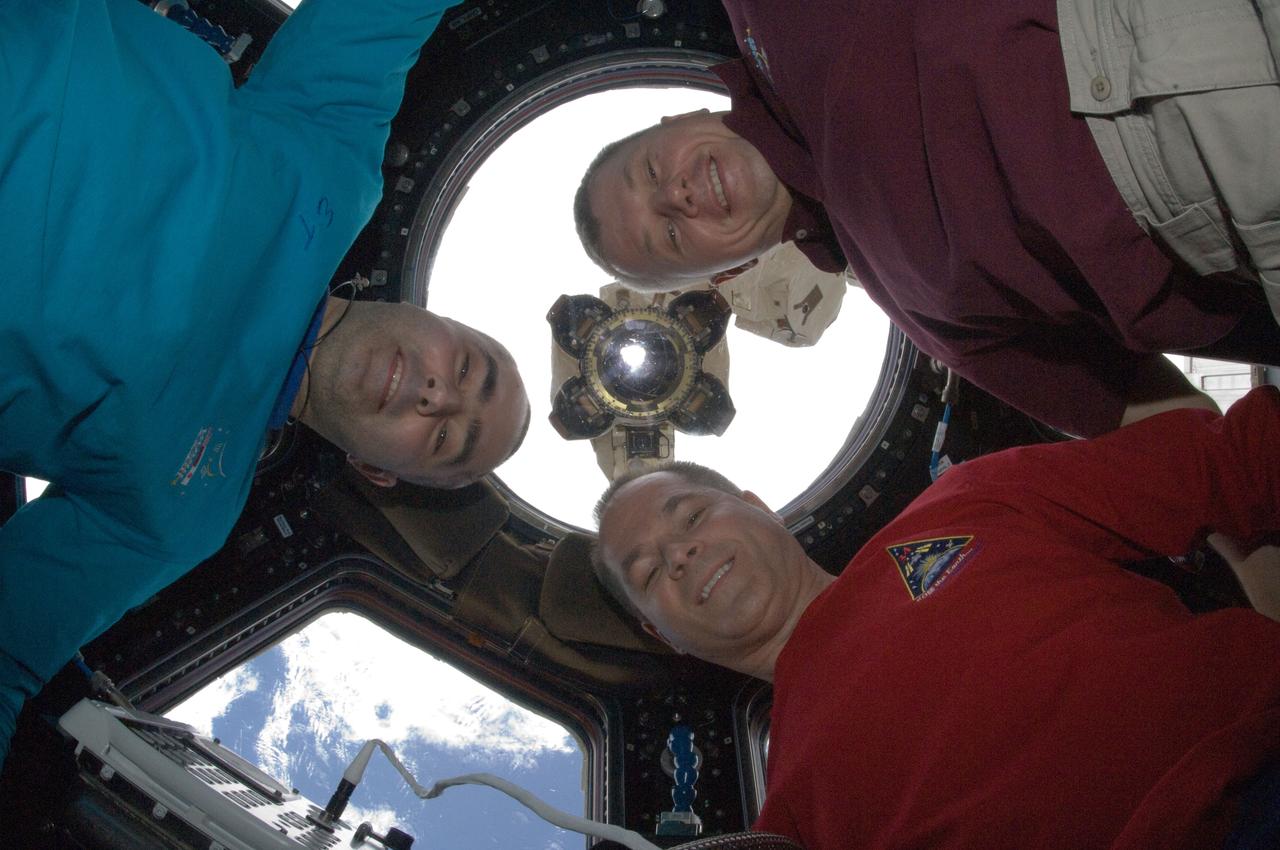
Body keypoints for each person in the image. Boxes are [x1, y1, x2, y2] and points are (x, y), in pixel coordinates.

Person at [0, 0, 530, 767]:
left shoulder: (184, 513)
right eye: (467, 371)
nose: (437, 395)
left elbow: (11, 641)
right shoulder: (338, 158)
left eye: (445, 436)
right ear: (429, 316)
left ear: (378, 469)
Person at [592, 387, 1280, 848]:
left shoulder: (964, 504)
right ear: (664, 634)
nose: (679, 553)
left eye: (692, 516)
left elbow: (1226, 462)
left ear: (758, 505)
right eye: (649, 572)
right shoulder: (790, 829)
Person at [573, 0, 1280, 439]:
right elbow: (1143, 416)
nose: (679, 196)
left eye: (651, 171)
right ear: (723, 272)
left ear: (680, 115)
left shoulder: (765, 12)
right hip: (1232, 243)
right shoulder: (921, 311)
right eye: (668, 234)